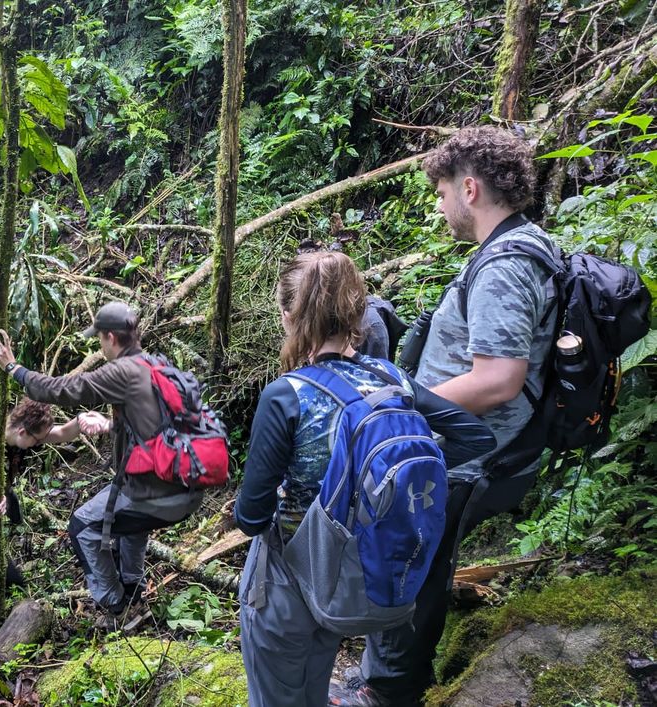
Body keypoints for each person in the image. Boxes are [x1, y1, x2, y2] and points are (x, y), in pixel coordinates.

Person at [329, 127, 558, 706]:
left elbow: (498, 377)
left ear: (470, 188)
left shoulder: (506, 264)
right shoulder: (517, 248)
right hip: (466, 447)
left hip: (469, 453)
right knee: (420, 560)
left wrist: (398, 411)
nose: (439, 205)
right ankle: (391, 677)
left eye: (440, 192)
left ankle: (387, 691)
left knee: (413, 564)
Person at [235, 251, 495, 707]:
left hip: (289, 585)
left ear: (287, 314)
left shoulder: (286, 395)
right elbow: (475, 437)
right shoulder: (391, 379)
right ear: (358, 313)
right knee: (313, 679)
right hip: (350, 576)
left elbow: (252, 517)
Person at [0, 302, 203, 623]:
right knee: (130, 524)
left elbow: (64, 389)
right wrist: (109, 424)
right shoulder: (156, 366)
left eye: (100, 339)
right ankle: (132, 591)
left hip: (154, 489)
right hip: (182, 486)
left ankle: (115, 605)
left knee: (81, 527)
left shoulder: (121, 370)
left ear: (110, 338)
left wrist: (14, 369)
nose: (100, 346)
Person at [0, 398, 109, 642]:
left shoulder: (16, 439)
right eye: (36, 441)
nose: (37, 445)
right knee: (8, 580)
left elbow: (59, 434)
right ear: (22, 431)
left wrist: (81, 421)